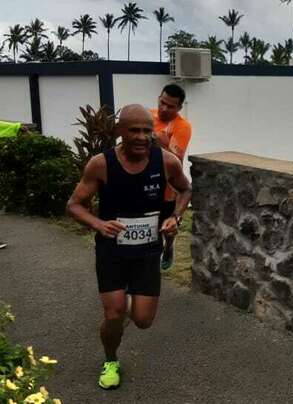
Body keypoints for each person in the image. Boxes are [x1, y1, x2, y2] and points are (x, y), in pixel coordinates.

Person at [66, 104, 192, 390]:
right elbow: (73, 205)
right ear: (119, 131)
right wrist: (98, 224)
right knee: (114, 313)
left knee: (144, 321)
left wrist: (176, 216)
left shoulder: (166, 161)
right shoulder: (101, 164)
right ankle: (110, 359)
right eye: (133, 130)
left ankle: (133, 298)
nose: (140, 136)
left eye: (147, 131)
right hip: (111, 250)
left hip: (147, 250)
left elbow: (185, 189)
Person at [150, 84, 192, 271]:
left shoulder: (182, 126)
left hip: (168, 188)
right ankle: (148, 266)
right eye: (162, 103)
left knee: (167, 227)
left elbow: (175, 160)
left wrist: (162, 145)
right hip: (146, 182)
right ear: (159, 97)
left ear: (179, 108)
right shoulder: (147, 116)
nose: (164, 109)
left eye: (171, 106)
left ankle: (169, 247)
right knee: (151, 230)